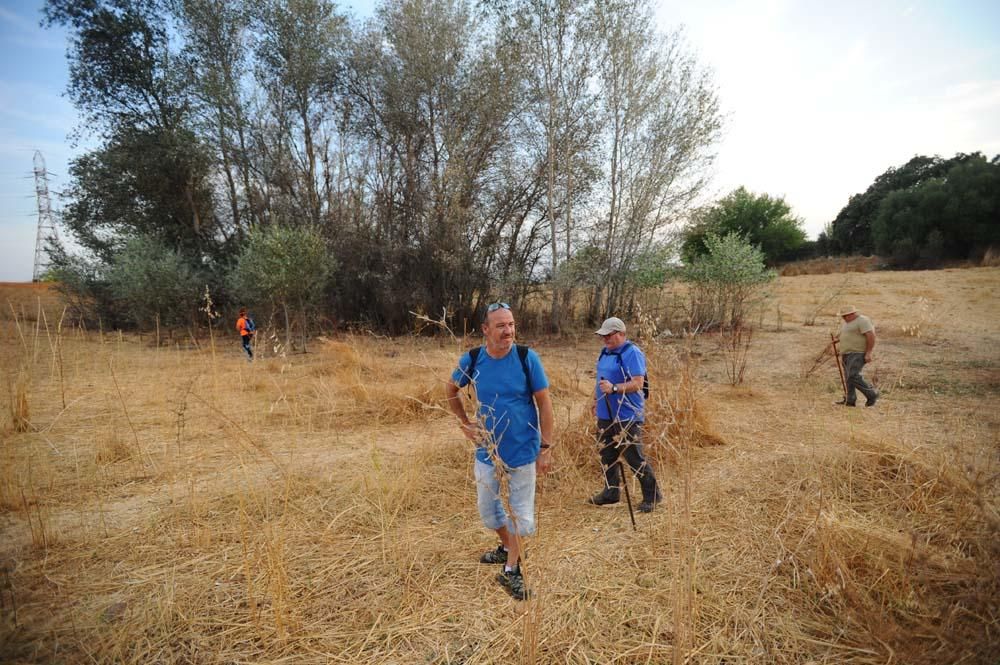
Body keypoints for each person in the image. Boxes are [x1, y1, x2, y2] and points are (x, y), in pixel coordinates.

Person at [445, 302, 554, 601]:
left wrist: (545, 447)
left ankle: (511, 571)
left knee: (520, 515)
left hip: (522, 450)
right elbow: (450, 391)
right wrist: (464, 424)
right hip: (488, 452)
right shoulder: (473, 359)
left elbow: (544, 402)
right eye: (501, 326)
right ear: (485, 330)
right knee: (489, 514)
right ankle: (508, 546)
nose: (508, 331)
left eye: (511, 324)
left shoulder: (525, 357)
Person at [588, 317, 662, 513]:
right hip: (606, 412)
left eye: (609, 335)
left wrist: (614, 388)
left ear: (621, 334)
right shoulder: (605, 352)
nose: (605, 339)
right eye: (603, 335)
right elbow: (600, 380)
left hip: (627, 413)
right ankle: (611, 492)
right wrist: (595, 401)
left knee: (633, 455)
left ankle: (652, 495)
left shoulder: (632, 353)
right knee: (606, 453)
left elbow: (637, 383)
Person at [834, 306, 878, 407]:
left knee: (853, 375)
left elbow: (871, 335)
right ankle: (850, 400)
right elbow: (847, 335)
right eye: (843, 316)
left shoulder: (863, 320)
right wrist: (837, 340)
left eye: (845, 316)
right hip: (846, 353)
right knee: (848, 377)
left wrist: (868, 353)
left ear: (852, 314)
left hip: (857, 352)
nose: (843, 318)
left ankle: (872, 394)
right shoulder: (847, 323)